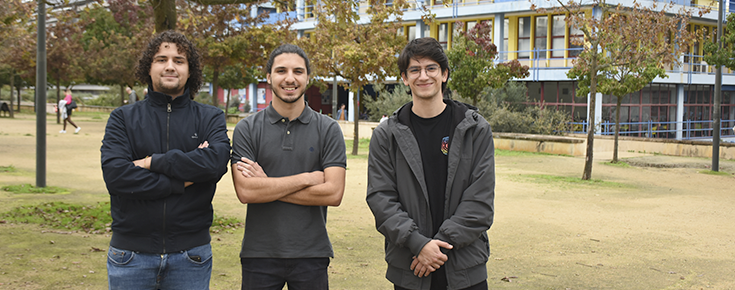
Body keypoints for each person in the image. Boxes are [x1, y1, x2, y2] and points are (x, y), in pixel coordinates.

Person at [100, 30, 231, 290]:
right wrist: (182, 181)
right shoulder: (122, 118)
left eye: (179, 60)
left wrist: (149, 162)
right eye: (161, 59)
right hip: (130, 255)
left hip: (191, 256)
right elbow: (117, 177)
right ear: (148, 68)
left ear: (190, 70)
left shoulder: (210, 117)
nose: (170, 66)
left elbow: (215, 164)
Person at [366, 37, 495, 290]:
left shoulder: (475, 129)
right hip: (411, 265)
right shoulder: (387, 135)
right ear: (405, 78)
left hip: (465, 268)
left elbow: (480, 200)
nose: (423, 76)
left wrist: (438, 245)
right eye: (414, 69)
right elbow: (381, 199)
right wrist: (418, 244)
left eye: (431, 68)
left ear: (444, 74)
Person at [231, 44, 346, 290]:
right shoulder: (247, 129)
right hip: (258, 253)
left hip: (312, 253)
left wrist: (267, 184)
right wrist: (308, 178)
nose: (290, 78)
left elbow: (334, 194)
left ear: (307, 77)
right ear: (269, 77)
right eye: (281, 70)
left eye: (298, 71)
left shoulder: (328, 129)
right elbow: (247, 192)